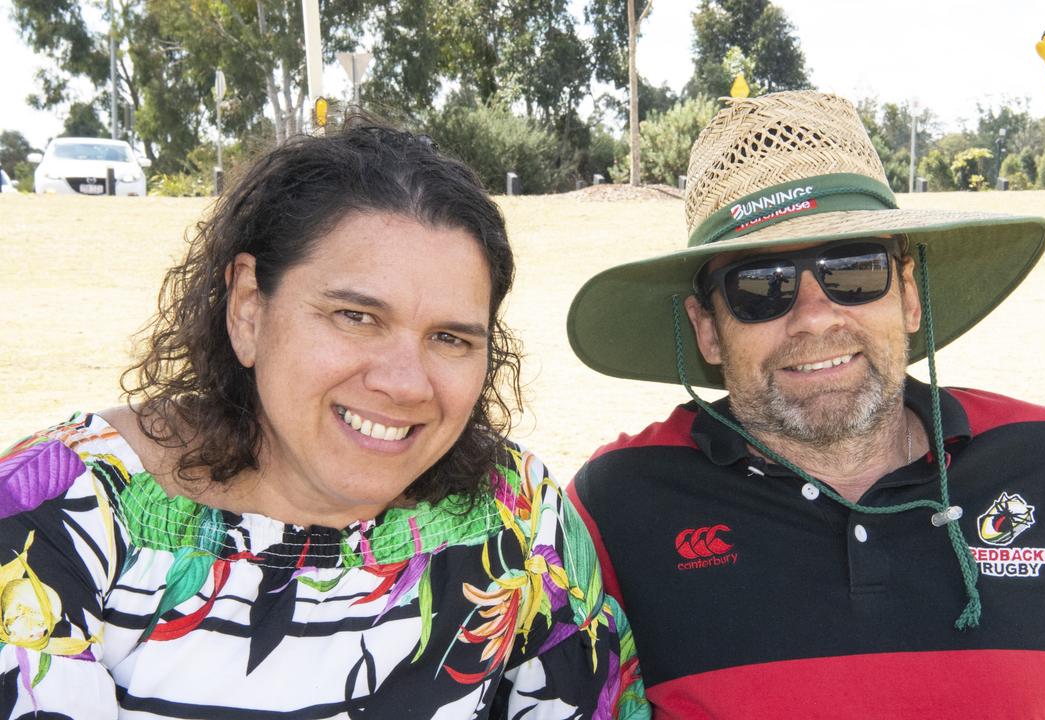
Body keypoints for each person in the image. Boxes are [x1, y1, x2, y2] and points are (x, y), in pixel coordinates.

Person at [0, 120, 648, 718]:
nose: (403, 383)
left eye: (450, 337)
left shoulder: (519, 516)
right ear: (250, 308)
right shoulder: (55, 526)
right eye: (356, 316)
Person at [566, 92, 1045, 718]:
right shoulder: (617, 503)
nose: (814, 317)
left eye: (854, 270)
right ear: (707, 329)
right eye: (762, 285)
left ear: (910, 295)